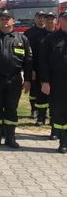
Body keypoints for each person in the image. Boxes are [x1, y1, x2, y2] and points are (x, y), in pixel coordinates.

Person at [0, 10, 32, 148]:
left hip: (14, 80)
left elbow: (28, 61)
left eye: (7, 19)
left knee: (12, 109)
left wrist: (27, 80)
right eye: (2, 19)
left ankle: (10, 138)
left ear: (13, 21)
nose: (4, 21)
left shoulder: (22, 39)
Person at [40, 11, 67, 153]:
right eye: (65, 19)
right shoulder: (51, 39)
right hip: (58, 83)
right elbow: (43, 63)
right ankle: (63, 142)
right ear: (60, 21)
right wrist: (45, 81)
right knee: (59, 112)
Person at [33, 12, 57, 135]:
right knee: (41, 94)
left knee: (55, 97)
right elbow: (32, 55)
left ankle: (53, 119)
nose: (49, 21)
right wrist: (32, 69)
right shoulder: (37, 36)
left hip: (57, 72)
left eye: (52, 19)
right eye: (47, 19)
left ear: (56, 21)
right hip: (40, 70)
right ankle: (41, 117)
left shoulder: (59, 35)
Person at [24, 11, 46, 118]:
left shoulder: (50, 32)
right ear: (35, 18)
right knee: (33, 90)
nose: (41, 19)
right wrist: (30, 69)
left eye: (43, 17)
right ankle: (34, 110)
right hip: (33, 65)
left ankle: (44, 111)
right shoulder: (29, 33)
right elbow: (26, 52)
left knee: (45, 89)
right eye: (39, 17)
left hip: (46, 66)